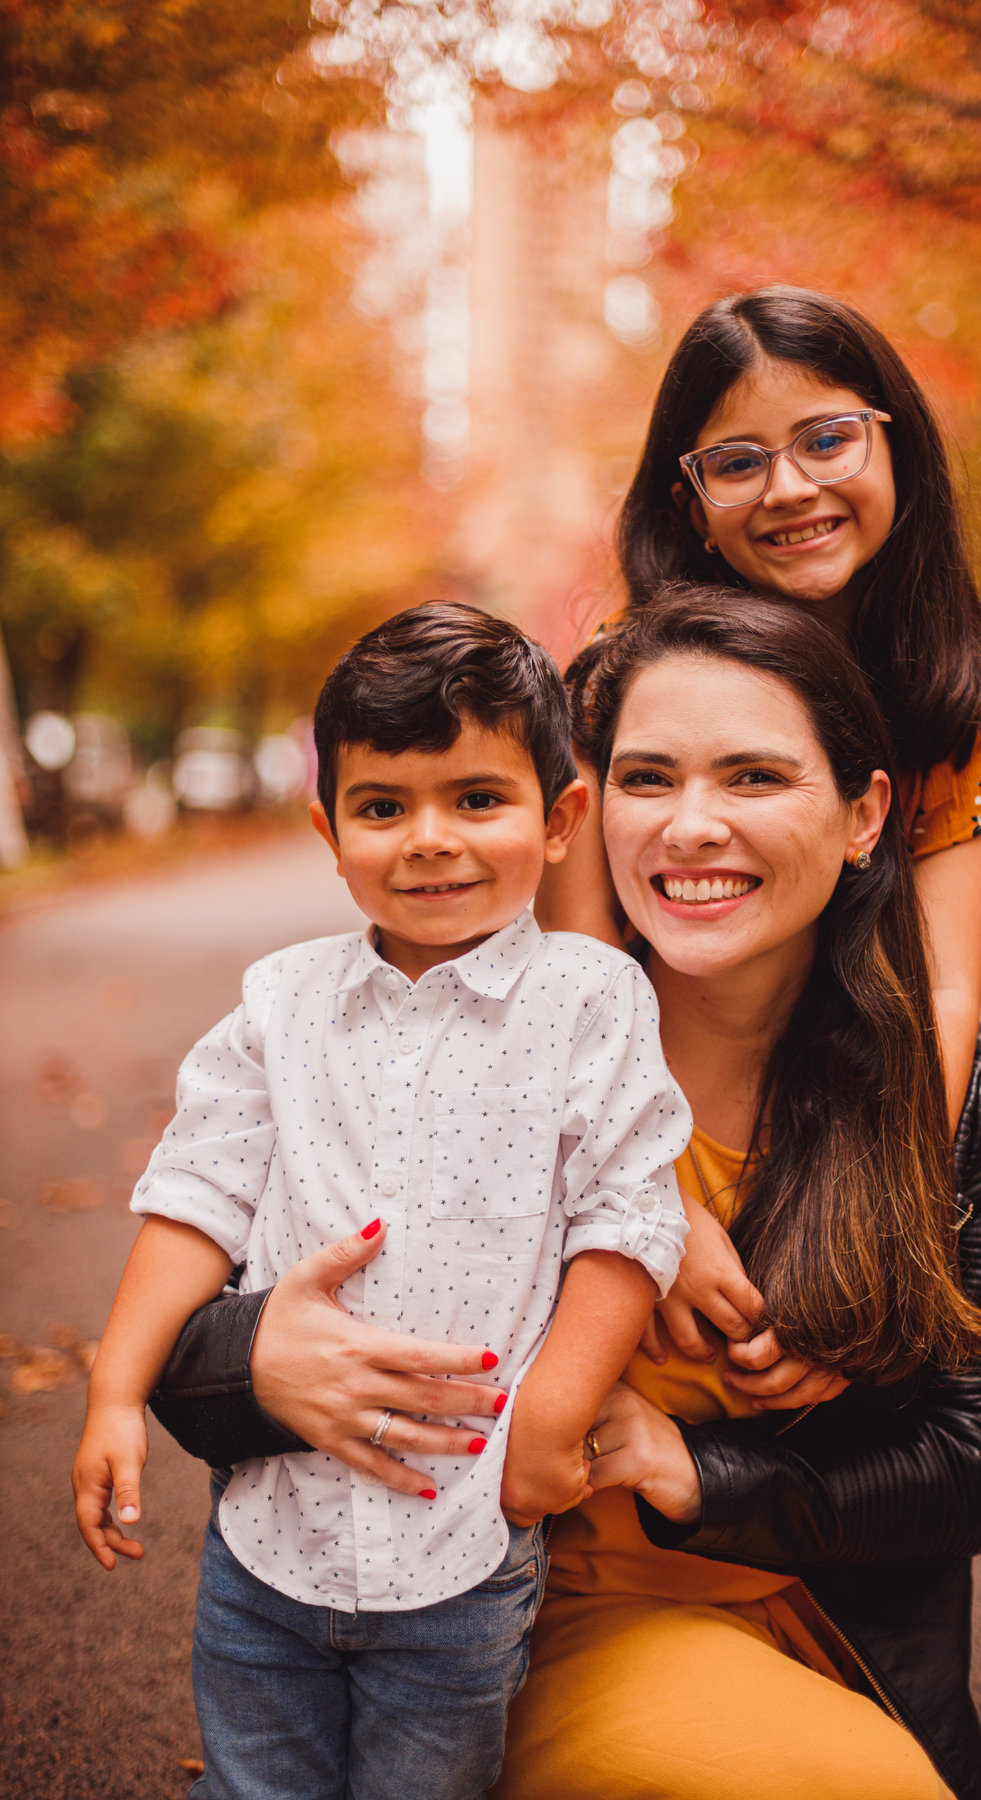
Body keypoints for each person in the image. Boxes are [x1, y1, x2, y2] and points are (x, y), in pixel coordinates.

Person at [149, 594, 981, 1800]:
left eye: (754, 777)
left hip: (835, 1620)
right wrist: (259, 1356)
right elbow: (181, 1305)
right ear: (589, 812)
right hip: (522, 1614)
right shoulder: (474, 1037)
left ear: (863, 814)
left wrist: (691, 1469)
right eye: (648, 777)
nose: (692, 827)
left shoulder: (943, 1083)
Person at [70, 602, 695, 1800]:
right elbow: (196, 1193)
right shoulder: (282, 1002)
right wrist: (114, 1387)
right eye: (382, 806)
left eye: (477, 799)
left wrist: (548, 1426)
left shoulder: (590, 1001)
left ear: (561, 818)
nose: (429, 841)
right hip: (268, 1543)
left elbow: (629, 1218)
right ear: (329, 828)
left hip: (463, 1544)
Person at [537, 285, 981, 1130]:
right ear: (691, 508)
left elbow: (943, 988)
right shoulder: (613, 686)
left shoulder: (963, 705)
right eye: (738, 463)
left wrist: (895, 1205)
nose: (790, 488)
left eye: (828, 441)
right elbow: (581, 963)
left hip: (845, 1112)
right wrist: (649, 1199)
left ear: (898, 449)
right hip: (633, 1112)